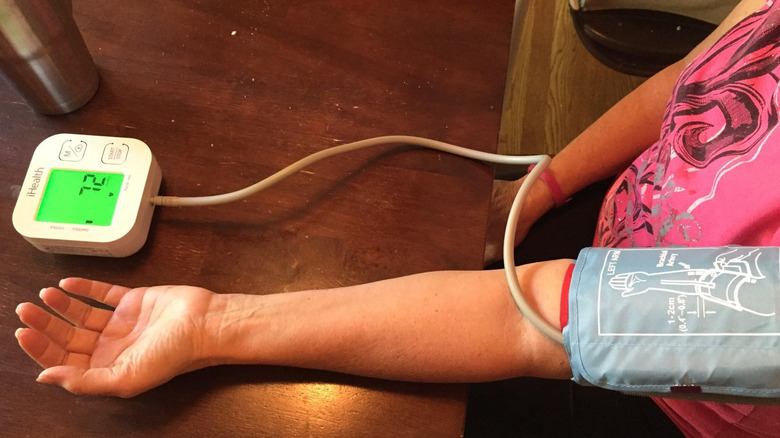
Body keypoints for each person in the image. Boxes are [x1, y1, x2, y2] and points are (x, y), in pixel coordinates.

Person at [13, 0, 780, 435]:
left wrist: (217, 325)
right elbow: (700, 76)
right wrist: (545, 187)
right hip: (604, 230)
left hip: (666, 410)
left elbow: (529, 321)